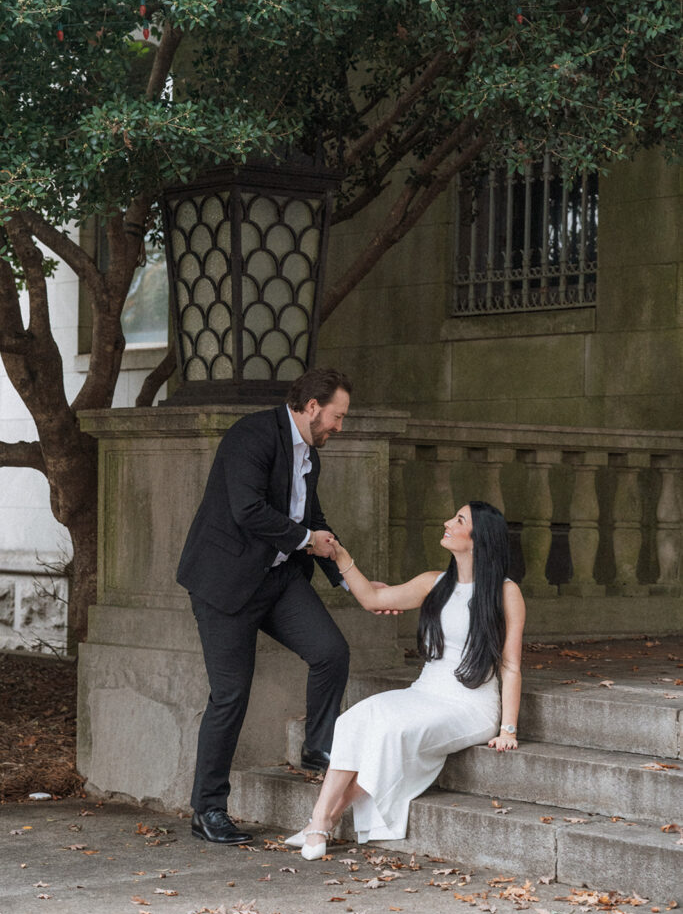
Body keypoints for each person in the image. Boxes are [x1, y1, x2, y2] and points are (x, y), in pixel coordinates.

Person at [285, 500, 525, 860]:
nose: (447, 522)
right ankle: (319, 820)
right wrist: (340, 556)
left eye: (458, 520)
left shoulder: (506, 593)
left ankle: (321, 823)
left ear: (480, 539)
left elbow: (510, 665)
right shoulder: (434, 583)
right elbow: (373, 598)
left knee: (390, 733)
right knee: (354, 719)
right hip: (426, 691)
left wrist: (508, 729)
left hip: (470, 706)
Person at [177, 368, 353, 844]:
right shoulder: (251, 435)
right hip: (225, 583)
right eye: (337, 416)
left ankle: (318, 747)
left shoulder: (311, 457)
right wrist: (304, 539)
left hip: (276, 578)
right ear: (312, 406)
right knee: (230, 696)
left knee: (331, 652)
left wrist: (350, 579)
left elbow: (313, 520)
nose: (340, 427)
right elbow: (247, 510)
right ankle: (207, 810)